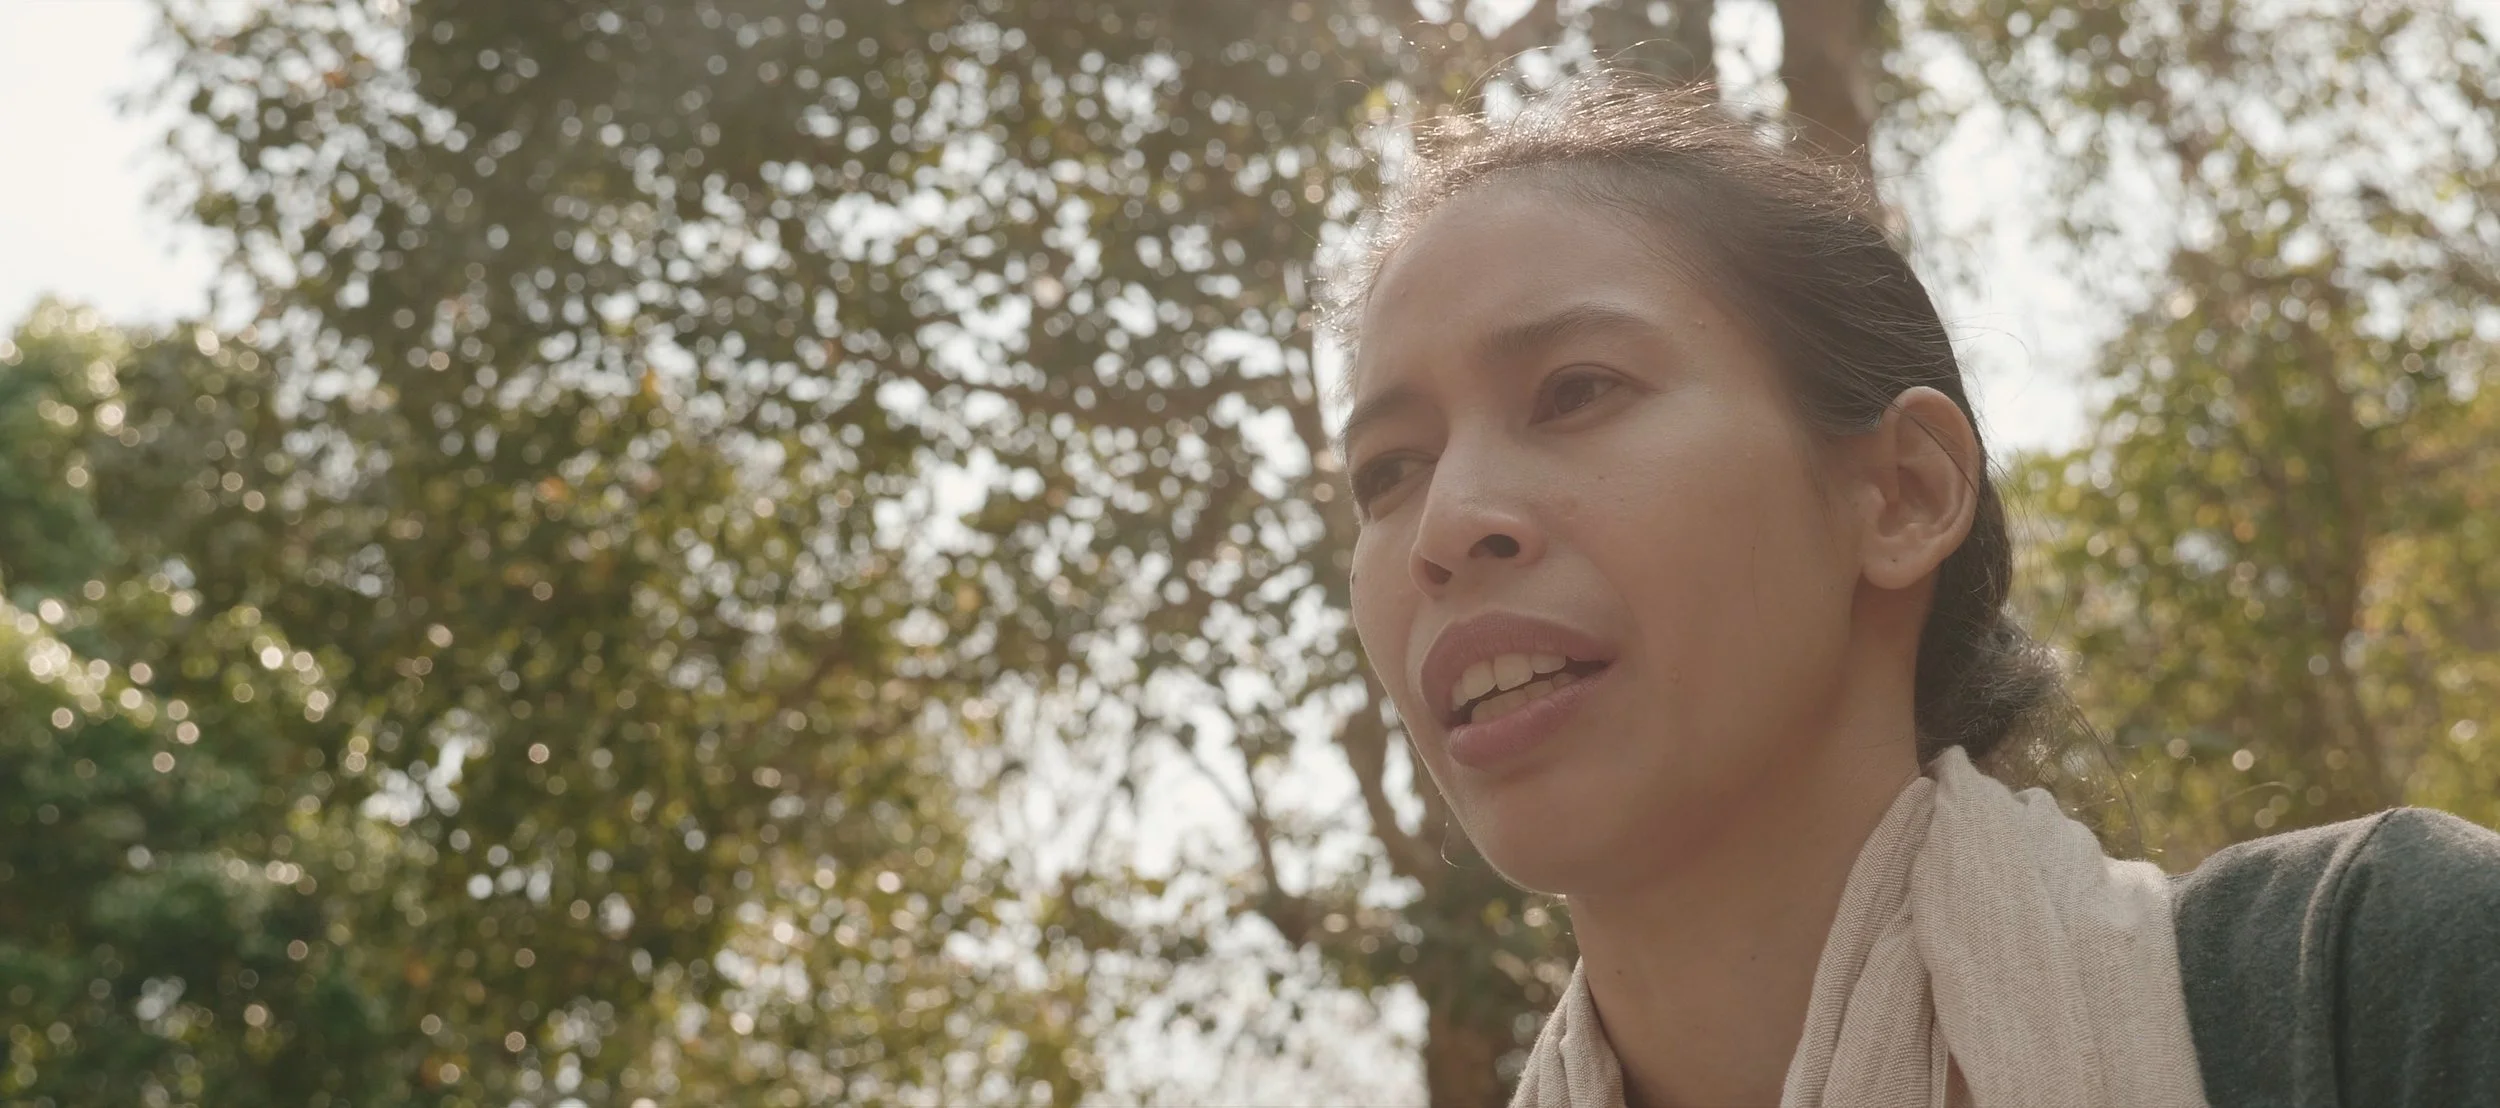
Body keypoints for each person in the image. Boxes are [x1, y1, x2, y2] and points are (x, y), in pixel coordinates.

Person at [1328, 76, 2500, 1108]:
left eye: (1575, 390)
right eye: (1387, 470)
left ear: (1897, 493)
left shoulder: (2367, 987)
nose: (1442, 526)